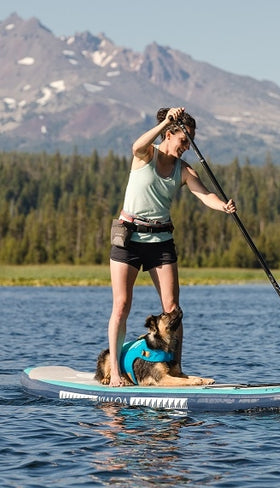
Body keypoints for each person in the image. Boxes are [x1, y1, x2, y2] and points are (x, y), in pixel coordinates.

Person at [106, 106, 237, 387]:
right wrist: (166, 119)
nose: (186, 146)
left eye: (190, 142)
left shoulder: (184, 170)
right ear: (169, 133)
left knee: (173, 308)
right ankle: (116, 372)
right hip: (129, 239)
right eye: (183, 140)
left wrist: (223, 207)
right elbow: (136, 145)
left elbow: (204, 195)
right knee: (121, 305)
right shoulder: (146, 155)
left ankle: (175, 369)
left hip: (161, 242)